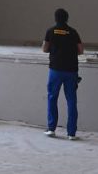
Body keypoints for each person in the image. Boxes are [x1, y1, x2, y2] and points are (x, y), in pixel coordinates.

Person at [42, 8, 83, 140]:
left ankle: (51, 129)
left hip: (55, 70)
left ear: (55, 18)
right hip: (71, 71)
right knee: (71, 100)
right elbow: (81, 50)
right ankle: (71, 133)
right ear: (67, 18)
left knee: (52, 98)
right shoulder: (73, 32)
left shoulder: (50, 31)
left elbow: (44, 49)